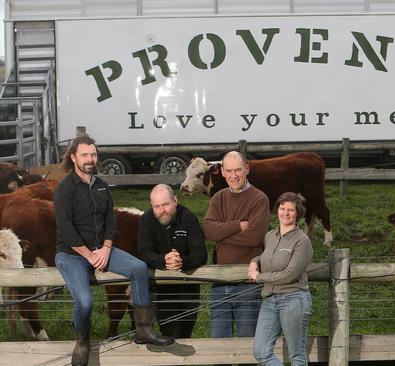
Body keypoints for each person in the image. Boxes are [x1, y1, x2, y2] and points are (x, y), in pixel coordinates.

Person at [53, 135, 173, 366]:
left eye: (93, 154)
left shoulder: (101, 186)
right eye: (85, 155)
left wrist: (106, 249)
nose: (90, 159)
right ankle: (82, 341)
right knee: (85, 302)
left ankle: (143, 328)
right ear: (73, 157)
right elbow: (66, 230)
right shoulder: (64, 190)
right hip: (71, 255)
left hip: (102, 250)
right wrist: (89, 255)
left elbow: (110, 221)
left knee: (138, 268)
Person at [202, 151, 270, 338]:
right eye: (229, 171)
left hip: (246, 280)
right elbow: (207, 230)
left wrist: (221, 235)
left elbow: (254, 237)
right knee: (218, 341)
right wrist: (238, 225)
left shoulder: (259, 199)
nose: (234, 176)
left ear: (246, 169)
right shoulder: (218, 198)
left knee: (247, 342)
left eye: (238, 170)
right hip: (220, 280)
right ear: (222, 172)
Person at [249, 192, 313, 365]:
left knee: (297, 355)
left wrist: (259, 277)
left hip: (293, 299)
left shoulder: (302, 241)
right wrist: (254, 262)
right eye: (282, 208)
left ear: (297, 213)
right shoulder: (270, 236)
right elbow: (265, 257)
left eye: (290, 210)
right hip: (270, 300)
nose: (285, 213)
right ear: (277, 210)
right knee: (261, 352)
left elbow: (290, 274)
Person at [137, 184, 207, 338]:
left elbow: (201, 253)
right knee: (169, 331)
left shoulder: (189, 218)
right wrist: (164, 260)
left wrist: (181, 261)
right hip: (161, 289)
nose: (162, 210)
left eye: (166, 205)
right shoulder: (146, 220)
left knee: (186, 332)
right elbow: (143, 253)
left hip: (188, 285)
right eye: (157, 206)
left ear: (175, 200)